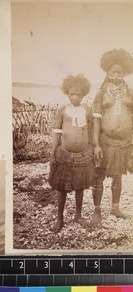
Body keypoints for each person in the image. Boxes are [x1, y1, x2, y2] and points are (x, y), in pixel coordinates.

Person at [91, 48, 133, 228]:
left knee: (118, 176)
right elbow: (96, 121)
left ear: (125, 73)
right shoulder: (101, 94)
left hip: (124, 143)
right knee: (99, 175)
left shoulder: (132, 94)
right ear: (107, 72)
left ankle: (115, 208)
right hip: (104, 142)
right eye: (113, 72)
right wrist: (95, 144)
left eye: (120, 72)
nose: (117, 75)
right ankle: (97, 210)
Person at [49, 74, 94, 232]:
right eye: (72, 94)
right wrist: (53, 153)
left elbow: (91, 130)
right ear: (67, 93)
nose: (75, 97)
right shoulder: (62, 110)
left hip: (82, 156)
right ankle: (60, 218)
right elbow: (56, 132)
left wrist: (92, 149)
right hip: (65, 155)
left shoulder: (88, 110)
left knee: (80, 186)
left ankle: (78, 215)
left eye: (79, 94)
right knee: (61, 187)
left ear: (84, 94)